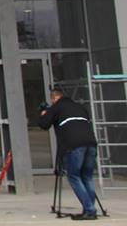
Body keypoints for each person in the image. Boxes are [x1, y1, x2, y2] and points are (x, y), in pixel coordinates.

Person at [38, 88, 99, 220]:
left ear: (54, 98)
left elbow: (44, 125)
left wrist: (44, 113)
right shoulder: (80, 107)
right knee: (87, 177)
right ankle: (90, 208)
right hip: (91, 143)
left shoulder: (56, 107)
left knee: (74, 176)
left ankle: (90, 210)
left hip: (74, 145)